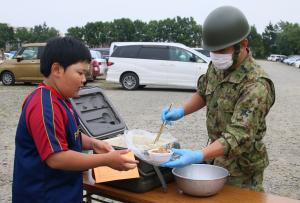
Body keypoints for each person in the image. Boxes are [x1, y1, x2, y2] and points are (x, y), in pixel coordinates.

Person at [160, 6, 275, 192]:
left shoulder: (256, 85)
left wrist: (198, 155)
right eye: (213, 51)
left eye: (222, 50)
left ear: (243, 44)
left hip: (242, 170)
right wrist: (180, 111)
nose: (216, 56)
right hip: (215, 157)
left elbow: (238, 135)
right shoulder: (217, 65)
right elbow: (203, 92)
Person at [12, 37, 138, 203]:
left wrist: (93, 143)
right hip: (43, 195)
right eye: (80, 73)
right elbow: (57, 158)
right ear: (57, 69)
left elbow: (70, 134)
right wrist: (106, 160)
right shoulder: (43, 105)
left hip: (65, 192)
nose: (84, 80)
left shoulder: (62, 98)